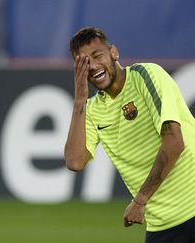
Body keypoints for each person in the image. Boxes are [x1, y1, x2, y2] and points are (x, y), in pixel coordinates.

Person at [64, 27, 195, 242]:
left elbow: (174, 142)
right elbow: (75, 161)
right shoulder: (92, 110)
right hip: (163, 226)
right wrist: (79, 100)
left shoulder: (146, 75)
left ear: (114, 52)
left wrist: (140, 200)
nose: (94, 66)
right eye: (84, 62)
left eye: (97, 56)